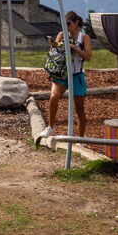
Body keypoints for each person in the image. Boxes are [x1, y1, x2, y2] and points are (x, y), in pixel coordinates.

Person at [40, 11, 91, 139]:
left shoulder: (84, 38)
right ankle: (50, 127)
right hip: (61, 74)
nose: (66, 27)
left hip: (76, 75)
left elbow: (88, 57)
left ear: (76, 23)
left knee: (79, 109)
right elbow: (55, 50)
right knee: (54, 96)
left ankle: (80, 139)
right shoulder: (62, 35)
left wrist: (74, 48)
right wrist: (54, 45)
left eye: (68, 24)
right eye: (64, 24)